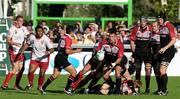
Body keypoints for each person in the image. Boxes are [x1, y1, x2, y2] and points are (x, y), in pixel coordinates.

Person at [41, 29, 82, 95]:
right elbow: (67, 51)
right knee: (74, 72)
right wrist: (76, 51)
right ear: (72, 32)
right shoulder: (68, 38)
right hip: (62, 58)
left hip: (58, 57)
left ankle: (43, 88)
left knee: (55, 74)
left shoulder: (62, 37)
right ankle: (67, 89)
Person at [19, 26, 54, 91]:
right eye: (38, 31)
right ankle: (30, 83)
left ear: (43, 32)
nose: (39, 33)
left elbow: (52, 49)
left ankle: (40, 86)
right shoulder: (32, 37)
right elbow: (27, 44)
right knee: (30, 71)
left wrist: (48, 52)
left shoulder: (46, 39)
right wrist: (22, 50)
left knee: (42, 74)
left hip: (44, 59)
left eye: (41, 31)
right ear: (36, 31)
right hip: (35, 57)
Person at [1, 15, 29, 90]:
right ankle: (4, 85)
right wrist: (15, 43)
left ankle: (16, 85)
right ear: (16, 21)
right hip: (13, 51)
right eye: (20, 21)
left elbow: (28, 36)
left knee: (21, 69)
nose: (21, 22)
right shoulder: (12, 29)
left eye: (22, 21)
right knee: (15, 69)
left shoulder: (24, 28)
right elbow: (7, 40)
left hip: (20, 51)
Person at [130, 16, 152, 93]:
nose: (142, 23)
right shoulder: (136, 28)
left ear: (146, 22)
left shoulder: (150, 28)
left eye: (144, 21)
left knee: (148, 70)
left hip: (147, 53)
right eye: (141, 21)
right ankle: (138, 88)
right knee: (138, 71)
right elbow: (132, 41)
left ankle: (147, 88)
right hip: (138, 52)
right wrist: (133, 52)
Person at [156, 15, 176, 95]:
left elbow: (174, 40)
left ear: (164, 19)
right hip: (162, 52)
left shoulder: (168, 26)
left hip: (169, 51)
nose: (159, 20)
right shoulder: (160, 27)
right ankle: (163, 89)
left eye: (160, 19)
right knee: (158, 71)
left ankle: (164, 91)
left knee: (162, 70)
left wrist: (165, 48)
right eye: (158, 19)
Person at [150, 22, 161, 94]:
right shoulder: (151, 35)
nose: (153, 27)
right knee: (156, 72)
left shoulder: (161, 35)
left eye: (155, 26)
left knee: (160, 72)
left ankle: (163, 89)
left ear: (158, 27)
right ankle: (159, 88)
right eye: (152, 26)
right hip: (153, 56)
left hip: (159, 56)